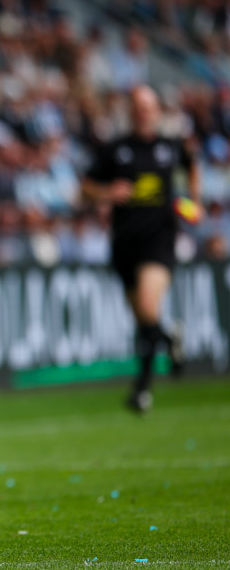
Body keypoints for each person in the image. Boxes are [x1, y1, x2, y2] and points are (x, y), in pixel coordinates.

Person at [82, 85, 199, 414]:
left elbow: (192, 167)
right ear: (131, 111)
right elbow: (85, 189)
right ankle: (147, 382)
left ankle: (146, 379)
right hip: (124, 242)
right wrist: (107, 192)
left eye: (148, 105)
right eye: (138, 106)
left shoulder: (171, 147)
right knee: (144, 322)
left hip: (159, 239)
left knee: (148, 306)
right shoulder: (115, 150)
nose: (143, 111)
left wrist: (193, 201)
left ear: (157, 110)